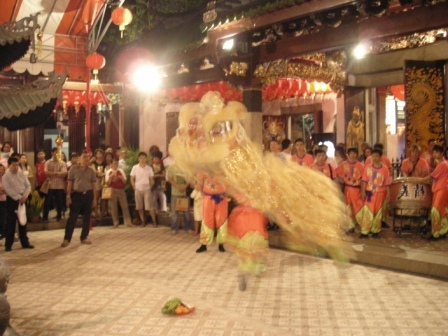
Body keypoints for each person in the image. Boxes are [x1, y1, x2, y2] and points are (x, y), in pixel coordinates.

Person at [227, 193, 269, 291]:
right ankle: (257, 269)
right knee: (258, 254)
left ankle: (244, 272)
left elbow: (233, 225)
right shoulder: (258, 210)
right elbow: (264, 221)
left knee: (246, 257)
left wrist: (232, 238)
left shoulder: (238, 211)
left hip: (245, 237)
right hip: (258, 235)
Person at [61, 151, 97, 247]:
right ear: (79, 158)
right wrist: (68, 196)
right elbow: (69, 183)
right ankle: (67, 239)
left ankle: (84, 237)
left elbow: (94, 186)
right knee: (72, 217)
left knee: (87, 217)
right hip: (77, 195)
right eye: (84, 156)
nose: (86, 159)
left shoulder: (91, 171)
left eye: (87, 157)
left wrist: (94, 199)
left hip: (88, 195)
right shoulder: (73, 169)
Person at [2, 156, 34, 251]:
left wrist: (25, 196)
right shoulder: (5, 177)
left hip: (23, 199)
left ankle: (25, 243)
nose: (15, 167)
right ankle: (8, 245)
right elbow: (8, 190)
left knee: (23, 222)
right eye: (13, 165)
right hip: (12, 201)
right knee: (11, 223)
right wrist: (19, 198)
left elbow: (28, 186)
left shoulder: (22, 174)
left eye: (17, 165)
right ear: (9, 166)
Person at [418, 145, 448, 240]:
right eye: (434, 152)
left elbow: (432, 176)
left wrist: (421, 180)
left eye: (436, 152)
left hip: (441, 189)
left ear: (441, 153)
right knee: (441, 210)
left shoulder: (443, 164)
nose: (434, 154)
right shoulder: (442, 164)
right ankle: (443, 230)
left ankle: (435, 233)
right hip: (440, 188)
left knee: (435, 210)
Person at [360, 148, 391, 239]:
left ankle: (375, 231)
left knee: (378, 213)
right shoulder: (368, 167)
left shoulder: (385, 168)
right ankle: (364, 231)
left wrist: (388, 193)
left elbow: (387, 182)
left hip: (381, 193)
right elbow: (364, 180)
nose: (374, 158)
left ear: (380, 157)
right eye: (373, 156)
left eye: (376, 156)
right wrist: (363, 192)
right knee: (367, 211)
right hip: (370, 193)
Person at [195, 172, 228, 253]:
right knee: (207, 220)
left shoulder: (224, 167)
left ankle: (221, 244)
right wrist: (202, 192)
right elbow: (199, 183)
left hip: (222, 198)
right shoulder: (204, 168)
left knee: (221, 220)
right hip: (208, 198)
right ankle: (204, 244)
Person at [335, 147, 364, 233]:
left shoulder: (360, 166)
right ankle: (350, 225)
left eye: (354, 154)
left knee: (358, 207)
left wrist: (363, 190)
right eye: (351, 153)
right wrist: (342, 178)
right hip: (347, 189)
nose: (353, 155)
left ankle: (360, 223)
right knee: (349, 207)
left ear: (357, 155)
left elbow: (364, 179)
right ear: (348, 155)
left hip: (357, 190)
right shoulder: (344, 164)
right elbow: (336, 172)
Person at [130, 152, 157, 227]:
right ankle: (142, 221)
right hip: (138, 189)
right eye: (141, 158)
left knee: (149, 207)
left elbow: (151, 179)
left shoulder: (149, 168)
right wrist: (134, 187)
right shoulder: (135, 167)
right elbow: (132, 178)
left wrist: (150, 187)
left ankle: (154, 221)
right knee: (139, 206)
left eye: (144, 158)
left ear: (146, 159)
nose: (142, 159)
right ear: (138, 159)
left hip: (147, 189)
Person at [105, 157, 133, 228]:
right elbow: (107, 183)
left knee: (124, 206)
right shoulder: (108, 172)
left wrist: (121, 178)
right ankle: (115, 222)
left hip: (121, 189)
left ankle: (128, 222)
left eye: (117, 163)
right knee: (113, 207)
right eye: (114, 163)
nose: (115, 164)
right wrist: (111, 177)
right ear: (111, 164)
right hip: (112, 190)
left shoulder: (121, 171)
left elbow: (125, 182)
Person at [42, 147, 67, 223]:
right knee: (48, 201)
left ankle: (59, 217)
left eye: (58, 152)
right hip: (50, 185)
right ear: (52, 153)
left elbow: (64, 173)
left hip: (59, 185)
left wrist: (52, 173)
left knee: (59, 201)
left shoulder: (62, 162)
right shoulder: (48, 162)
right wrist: (57, 173)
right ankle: (45, 217)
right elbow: (46, 172)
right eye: (55, 152)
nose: (57, 154)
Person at [167, 163, 191, 234]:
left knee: (186, 212)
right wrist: (178, 186)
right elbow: (170, 179)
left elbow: (189, 179)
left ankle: (188, 228)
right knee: (174, 212)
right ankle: (174, 228)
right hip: (175, 193)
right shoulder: (172, 167)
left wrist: (185, 186)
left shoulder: (186, 167)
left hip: (185, 192)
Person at [0, 165, 6, 239]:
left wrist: (3, 190)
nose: (1, 171)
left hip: (4, 200)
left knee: (3, 217)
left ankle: (3, 232)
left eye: (2, 169)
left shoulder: (5, 179)